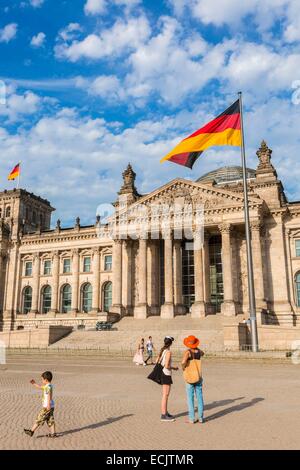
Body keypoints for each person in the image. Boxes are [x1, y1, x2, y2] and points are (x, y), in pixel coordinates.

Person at [24, 371, 57, 438]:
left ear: (46, 380)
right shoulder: (48, 386)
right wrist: (34, 383)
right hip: (51, 406)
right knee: (50, 419)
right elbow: (40, 387)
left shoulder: (48, 387)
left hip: (47, 406)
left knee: (40, 418)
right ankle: (53, 433)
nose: (41, 381)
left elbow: (48, 396)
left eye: (42, 379)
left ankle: (31, 431)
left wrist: (48, 405)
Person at [181, 335, 204, 424]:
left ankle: (191, 418)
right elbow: (203, 353)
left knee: (190, 398)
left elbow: (183, 362)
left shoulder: (188, 352)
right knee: (200, 397)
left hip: (190, 377)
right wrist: (196, 348)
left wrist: (184, 367)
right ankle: (201, 418)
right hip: (198, 376)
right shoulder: (199, 351)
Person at [156, 336, 178, 422]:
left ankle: (165, 412)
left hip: (162, 373)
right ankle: (163, 415)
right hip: (166, 374)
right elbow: (167, 365)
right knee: (165, 395)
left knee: (165, 394)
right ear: (171, 343)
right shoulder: (168, 352)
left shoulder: (162, 351)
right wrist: (174, 367)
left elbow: (156, 360)